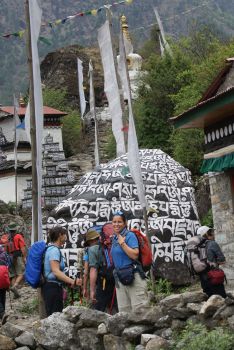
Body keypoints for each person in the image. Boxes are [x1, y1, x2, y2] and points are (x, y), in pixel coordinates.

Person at [111, 211, 148, 312]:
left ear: (125, 223)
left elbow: (135, 255)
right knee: (124, 313)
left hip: (134, 276)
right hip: (120, 278)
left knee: (140, 311)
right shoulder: (114, 238)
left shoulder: (130, 235)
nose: (116, 224)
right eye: (114, 222)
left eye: (119, 222)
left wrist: (123, 243)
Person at [42, 226, 82, 316]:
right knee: (54, 317)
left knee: (54, 316)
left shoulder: (51, 249)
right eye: (65, 235)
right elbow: (56, 271)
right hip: (52, 288)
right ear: (60, 235)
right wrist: (72, 281)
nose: (66, 237)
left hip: (52, 287)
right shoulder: (54, 250)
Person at [83, 228, 116, 313]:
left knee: (97, 311)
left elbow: (92, 270)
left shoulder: (92, 249)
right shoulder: (110, 245)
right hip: (116, 279)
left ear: (91, 241)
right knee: (115, 307)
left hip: (103, 282)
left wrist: (92, 290)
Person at [197, 226, 226, 298]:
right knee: (221, 300)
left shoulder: (196, 246)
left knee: (208, 300)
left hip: (202, 277)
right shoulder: (212, 243)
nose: (213, 234)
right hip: (214, 276)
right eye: (211, 232)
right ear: (207, 234)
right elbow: (222, 260)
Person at [8, 223, 27, 299]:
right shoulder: (18, 236)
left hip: (10, 257)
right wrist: (24, 257)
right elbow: (22, 248)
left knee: (13, 275)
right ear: (15, 229)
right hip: (18, 256)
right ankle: (15, 286)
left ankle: (15, 293)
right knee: (21, 273)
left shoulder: (9, 237)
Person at [0, 245, 11, 323]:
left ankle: (2, 313)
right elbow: (8, 268)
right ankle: (3, 318)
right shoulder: (4, 256)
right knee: (2, 298)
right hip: (4, 280)